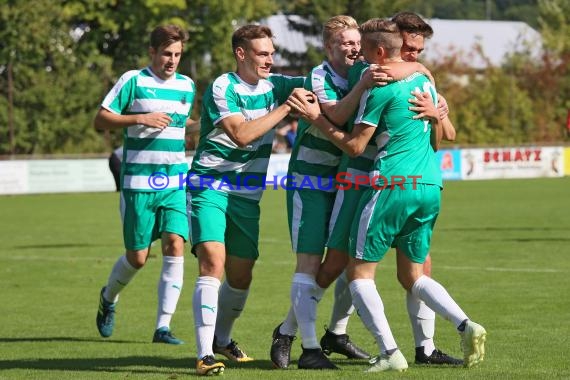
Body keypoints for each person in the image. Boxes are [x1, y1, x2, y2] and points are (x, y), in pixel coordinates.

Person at [288, 18, 487, 372]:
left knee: (372, 270)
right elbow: (340, 112)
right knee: (342, 263)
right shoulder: (366, 72)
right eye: (409, 49)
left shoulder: (407, 78)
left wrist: (437, 115)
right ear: (395, 44)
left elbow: (440, 138)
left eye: (418, 52)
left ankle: (412, 348)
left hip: (385, 183)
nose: (413, 55)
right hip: (373, 182)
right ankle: (301, 331)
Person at [269, 15, 424, 370]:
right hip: (311, 178)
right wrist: (364, 84)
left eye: (357, 42)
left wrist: (430, 85)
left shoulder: (361, 71)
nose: (354, 48)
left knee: (344, 261)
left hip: (349, 180)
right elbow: (337, 119)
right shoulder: (319, 78)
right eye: (346, 43)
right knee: (310, 264)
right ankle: (303, 344)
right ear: (329, 47)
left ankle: (315, 331)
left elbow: (408, 66)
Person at [186, 24, 306, 376]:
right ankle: (205, 354)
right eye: (262, 53)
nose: (270, 59)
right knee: (212, 261)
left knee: (241, 275)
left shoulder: (276, 84)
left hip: (247, 192)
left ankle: (223, 339)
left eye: (271, 53)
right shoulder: (223, 87)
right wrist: (286, 108)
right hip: (209, 184)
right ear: (242, 54)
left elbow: (321, 80)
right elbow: (241, 134)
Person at [93, 25, 196, 345]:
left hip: (176, 181)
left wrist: (213, 124)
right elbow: (101, 119)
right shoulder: (133, 81)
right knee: (137, 258)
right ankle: (108, 297)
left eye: (178, 54)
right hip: (138, 183)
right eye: (167, 53)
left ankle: (162, 327)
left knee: (175, 244)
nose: (172, 60)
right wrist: (140, 118)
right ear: (152, 52)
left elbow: (184, 126)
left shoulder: (187, 85)